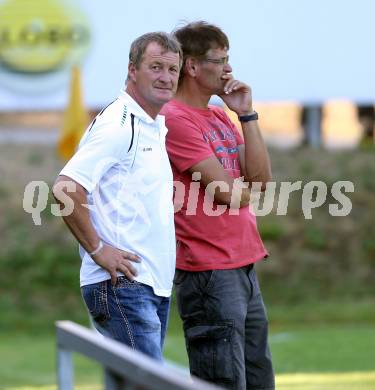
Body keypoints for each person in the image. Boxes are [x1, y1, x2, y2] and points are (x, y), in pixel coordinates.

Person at [52, 32, 182, 361]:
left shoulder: (151, 124)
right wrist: (97, 249)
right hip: (123, 286)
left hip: (148, 285)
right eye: (155, 67)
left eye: (172, 70)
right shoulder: (120, 124)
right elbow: (66, 187)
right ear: (132, 70)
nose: (165, 78)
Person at [161, 21, 275, 389]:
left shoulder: (218, 115)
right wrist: (248, 190)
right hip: (209, 271)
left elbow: (261, 180)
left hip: (241, 264)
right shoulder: (174, 118)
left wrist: (247, 115)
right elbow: (228, 192)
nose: (228, 69)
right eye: (219, 60)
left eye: (229, 59)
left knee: (259, 380)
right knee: (223, 381)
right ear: (192, 66)